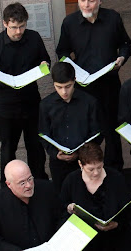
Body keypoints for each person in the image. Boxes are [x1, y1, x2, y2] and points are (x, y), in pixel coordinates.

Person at [56, 0, 131, 170]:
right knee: (87, 131)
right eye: (82, 0)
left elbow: (125, 45)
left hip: (109, 83)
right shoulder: (70, 23)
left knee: (112, 130)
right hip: (83, 86)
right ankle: (89, 170)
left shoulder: (112, 18)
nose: (86, 5)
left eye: (91, 0)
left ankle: (114, 171)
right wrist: (71, 67)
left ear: (100, 1)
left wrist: (121, 58)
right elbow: (63, 51)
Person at [0, 2, 49, 181]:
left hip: (32, 104)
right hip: (6, 109)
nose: (18, 31)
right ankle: (8, 189)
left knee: (36, 147)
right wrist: (8, 83)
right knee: (8, 150)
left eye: (22, 26)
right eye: (14, 27)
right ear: (5, 24)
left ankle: (39, 184)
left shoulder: (34, 38)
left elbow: (45, 59)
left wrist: (44, 65)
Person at [38, 62, 101, 192]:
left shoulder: (89, 102)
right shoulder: (46, 105)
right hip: (58, 163)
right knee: (61, 198)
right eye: (59, 87)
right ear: (54, 84)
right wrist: (55, 154)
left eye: (68, 86)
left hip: (85, 161)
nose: (64, 92)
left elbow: (97, 132)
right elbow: (43, 134)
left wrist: (81, 152)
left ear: (75, 81)